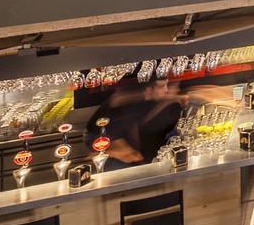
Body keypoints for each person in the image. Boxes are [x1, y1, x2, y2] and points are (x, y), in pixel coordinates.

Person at [97, 72, 240, 169]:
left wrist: (175, 98)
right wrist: (121, 150)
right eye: (162, 87)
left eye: (168, 85)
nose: (166, 90)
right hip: (129, 168)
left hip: (150, 162)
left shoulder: (149, 101)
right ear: (147, 91)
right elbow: (96, 142)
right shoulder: (123, 106)